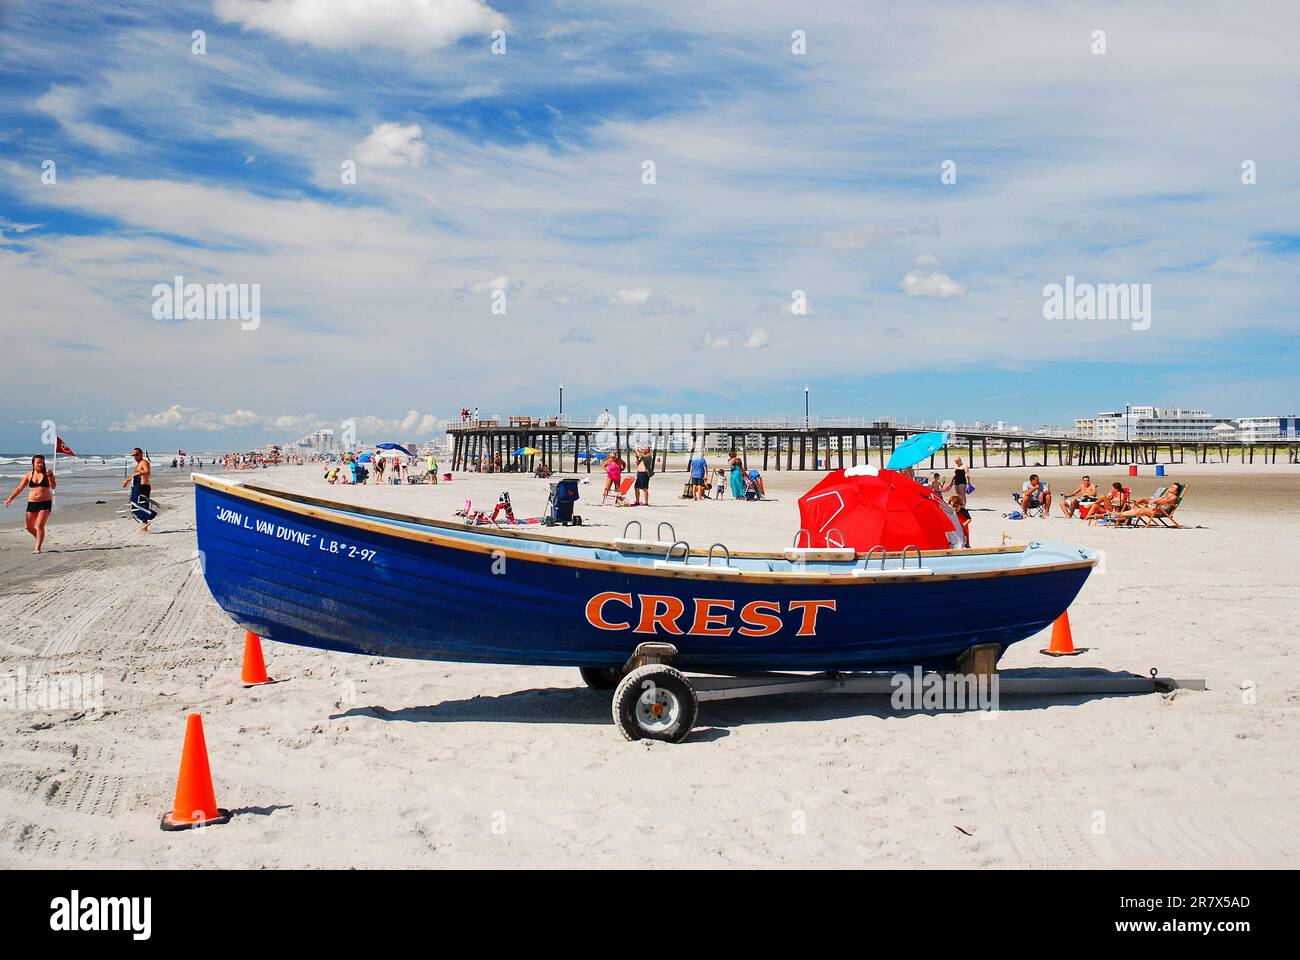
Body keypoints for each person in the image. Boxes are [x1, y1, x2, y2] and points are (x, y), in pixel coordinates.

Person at [5, 454, 56, 553]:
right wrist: (10, 498)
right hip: (32, 503)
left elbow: (53, 486)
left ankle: (37, 548)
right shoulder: (29, 474)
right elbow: (20, 488)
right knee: (28, 526)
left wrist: (50, 476)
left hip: (45, 503)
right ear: (33, 463)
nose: (40, 464)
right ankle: (39, 538)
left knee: (40, 525)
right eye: (38, 462)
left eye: (42, 462)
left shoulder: (47, 474)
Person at [121, 447, 154, 532]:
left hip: (143, 487)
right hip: (138, 486)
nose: (135, 456)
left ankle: (149, 517)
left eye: (136, 454)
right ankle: (145, 525)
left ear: (141, 454)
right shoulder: (138, 464)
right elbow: (134, 475)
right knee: (136, 506)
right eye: (133, 455)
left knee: (136, 505)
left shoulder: (144, 462)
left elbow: (148, 472)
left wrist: (139, 473)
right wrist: (127, 481)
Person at [1114, 483, 1182, 521]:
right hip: (1153, 508)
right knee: (1134, 507)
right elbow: (1150, 500)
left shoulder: (1174, 497)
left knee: (1140, 510)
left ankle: (1119, 515)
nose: (1171, 488)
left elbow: (1166, 502)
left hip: (1159, 512)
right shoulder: (1164, 495)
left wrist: (1155, 501)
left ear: (1176, 491)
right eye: (1171, 486)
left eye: (1173, 488)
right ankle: (1120, 516)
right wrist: (1143, 500)